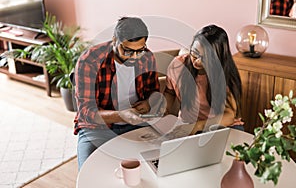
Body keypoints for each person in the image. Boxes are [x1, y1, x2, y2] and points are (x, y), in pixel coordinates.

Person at [73, 17, 160, 170]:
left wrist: (149, 102)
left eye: (139, 50)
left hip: (136, 126)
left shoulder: (146, 57)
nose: (134, 57)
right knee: (90, 173)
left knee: (158, 166)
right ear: (114, 40)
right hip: (96, 129)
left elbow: (154, 92)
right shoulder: (90, 61)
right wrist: (120, 115)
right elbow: (86, 112)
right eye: (127, 50)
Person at [163, 24, 243, 134]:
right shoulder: (178, 66)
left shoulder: (225, 74)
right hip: (188, 125)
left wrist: (197, 126)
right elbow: (170, 92)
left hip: (220, 126)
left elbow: (229, 115)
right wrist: (164, 111)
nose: (197, 62)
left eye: (206, 58)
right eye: (195, 54)